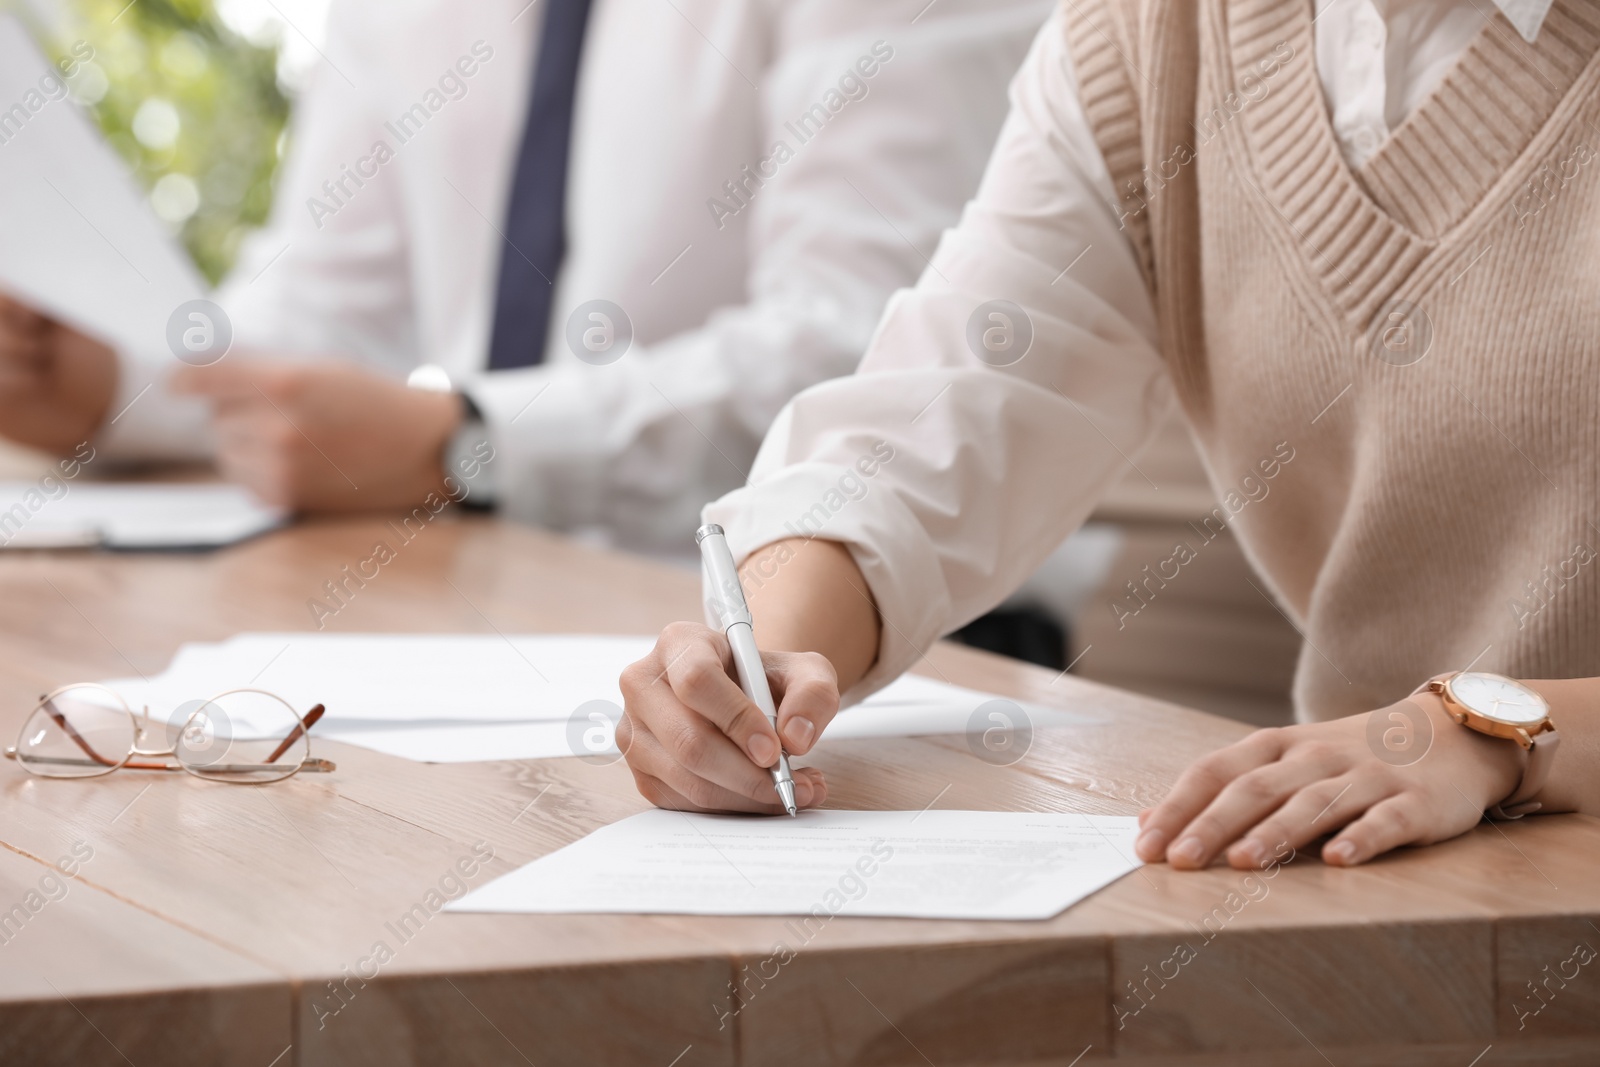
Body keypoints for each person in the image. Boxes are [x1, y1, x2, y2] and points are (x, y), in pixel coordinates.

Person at [617, 0, 1600, 867]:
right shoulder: (1150, 35)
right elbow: (934, 419)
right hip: (1373, 876)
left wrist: (1485, 737)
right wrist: (763, 672)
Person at [0, 0, 1049, 554]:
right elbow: (325, 303)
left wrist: (472, 440)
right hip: (503, 590)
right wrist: (111, 388)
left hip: (831, 627)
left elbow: (869, 353)